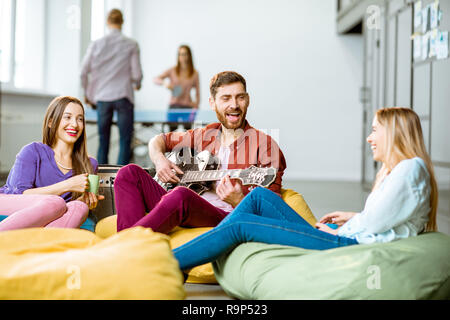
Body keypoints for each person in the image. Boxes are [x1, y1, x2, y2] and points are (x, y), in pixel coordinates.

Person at [172, 107, 438, 271]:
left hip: (345, 243)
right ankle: (207, 247)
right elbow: (387, 218)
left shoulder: (410, 168)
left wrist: (341, 228)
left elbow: (376, 225)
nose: (369, 138)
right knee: (259, 195)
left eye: (375, 131)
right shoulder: (397, 170)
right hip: (345, 234)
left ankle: (171, 261)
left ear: (394, 134)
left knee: (240, 227)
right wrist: (353, 217)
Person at [114, 71, 287, 233]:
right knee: (128, 173)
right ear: (212, 103)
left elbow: (274, 214)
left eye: (240, 97)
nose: (234, 105)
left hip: (224, 216)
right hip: (180, 203)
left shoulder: (265, 145)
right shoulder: (205, 134)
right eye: (226, 98)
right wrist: (160, 160)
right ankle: (131, 250)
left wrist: (238, 201)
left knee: (180, 196)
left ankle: (126, 243)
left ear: (247, 100)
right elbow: (158, 140)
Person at [0, 96, 103, 231]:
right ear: (51, 122)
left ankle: (40, 246)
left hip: (49, 217)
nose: (75, 124)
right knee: (56, 203)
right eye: (67, 117)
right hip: (8, 205)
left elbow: (69, 211)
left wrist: (85, 201)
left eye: (80, 119)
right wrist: (68, 185)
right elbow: (18, 195)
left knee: (80, 207)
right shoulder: (32, 151)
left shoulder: (89, 164)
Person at [81, 8, 143, 165]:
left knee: (104, 140)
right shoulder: (131, 44)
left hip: (102, 98)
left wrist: (88, 94)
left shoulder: (96, 44)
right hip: (124, 96)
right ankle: (121, 180)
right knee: (125, 140)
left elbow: (83, 72)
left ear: (107, 22)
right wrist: (137, 84)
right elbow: (137, 75)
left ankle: (101, 180)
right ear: (122, 22)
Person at [153, 44, 200, 132]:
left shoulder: (194, 73)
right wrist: (164, 83)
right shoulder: (172, 70)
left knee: (188, 135)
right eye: (180, 54)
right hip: (174, 106)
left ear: (189, 56)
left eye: (185, 54)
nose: (182, 57)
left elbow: (198, 94)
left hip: (187, 107)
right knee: (171, 135)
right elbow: (156, 79)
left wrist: (195, 108)